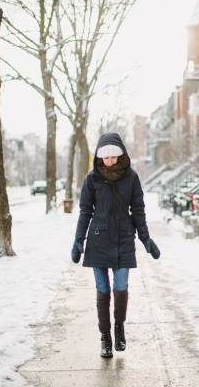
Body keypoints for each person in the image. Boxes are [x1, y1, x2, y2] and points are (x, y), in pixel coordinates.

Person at [70, 132, 161, 359]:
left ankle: (119, 326)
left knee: (121, 288)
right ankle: (105, 337)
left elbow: (138, 209)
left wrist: (146, 239)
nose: (109, 161)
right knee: (103, 291)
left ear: (120, 155)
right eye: (105, 158)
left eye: (113, 157)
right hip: (98, 240)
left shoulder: (131, 177)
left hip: (123, 239)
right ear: (100, 157)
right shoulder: (91, 179)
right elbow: (85, 212)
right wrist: (78, 240)